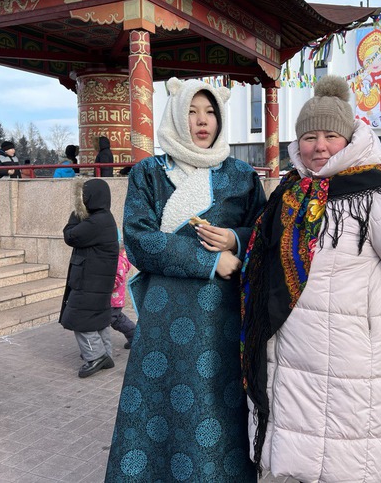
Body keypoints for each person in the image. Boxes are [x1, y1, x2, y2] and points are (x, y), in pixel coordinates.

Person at [240, 76, 381, 482]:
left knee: (345, 459)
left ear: (350, 137)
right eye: (309, 137)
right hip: (290, 356)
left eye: (331, 135)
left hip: (352, 359)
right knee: (294, 456)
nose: (319, 146)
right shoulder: (291, 191)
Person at [105, 77, 266, 482]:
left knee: (217, 401)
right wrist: (209, 262)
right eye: (192, 111)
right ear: (177, 115)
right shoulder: (148, 173)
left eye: (210, 111)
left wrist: (235, 240)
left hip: (222, 318)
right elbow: (138, 239)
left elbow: (264, 233)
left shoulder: (242, 175)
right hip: (165, 313)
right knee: (161, 404)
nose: (202, 120)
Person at [60, 178, 119, 378]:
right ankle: (105, 354)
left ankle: (95, 356)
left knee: (79, 318)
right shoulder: (103, 217)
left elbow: (70, 236)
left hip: (90, 281)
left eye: (83, 198)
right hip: (96, 281)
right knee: (97, 318)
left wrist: (76, 215)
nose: (82, 201)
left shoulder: (96, 222)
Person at [110, 231, 136, 349]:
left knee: (113, 320)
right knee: (117, 319)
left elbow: (118, 277)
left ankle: (134, 335)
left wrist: (104, 285)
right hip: (114, 299)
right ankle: (134, 335)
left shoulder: (118, 260)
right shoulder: (118, 258)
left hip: (113, 299)